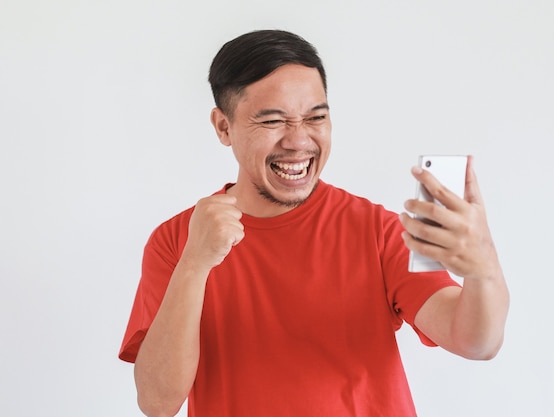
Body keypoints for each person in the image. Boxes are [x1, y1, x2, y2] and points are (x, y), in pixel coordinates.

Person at [119, 29, 509, 417]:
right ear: (224, 127)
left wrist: (482, 268)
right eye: (273, 121)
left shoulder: (380, 230)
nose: (298, 140)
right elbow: (157, 403)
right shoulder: (175, 242)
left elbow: (476, 342)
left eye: (315, 117)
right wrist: (194, 264)